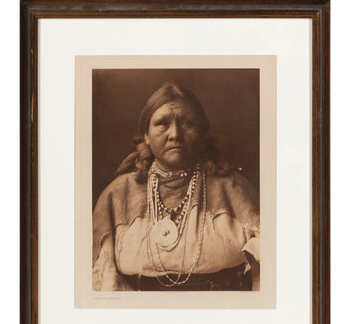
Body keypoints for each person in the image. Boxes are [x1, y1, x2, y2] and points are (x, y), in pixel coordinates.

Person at [92, 82, 260, 291]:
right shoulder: (118, 194)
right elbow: (102, 280)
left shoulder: (233, 188)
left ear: (202, 133)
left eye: (187, 123)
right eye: (162, 123)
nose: (175, 134)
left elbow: (267, 272)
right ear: (146, 135)